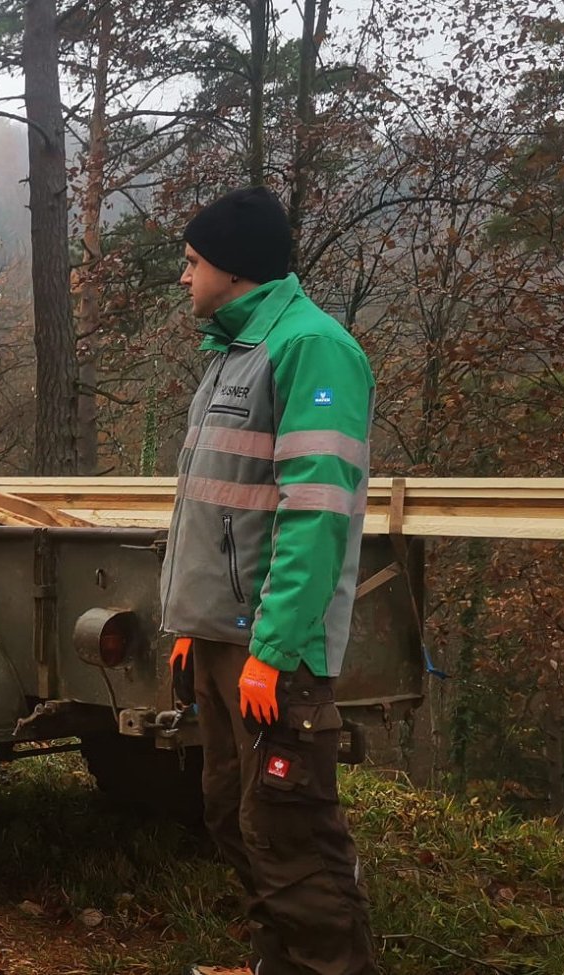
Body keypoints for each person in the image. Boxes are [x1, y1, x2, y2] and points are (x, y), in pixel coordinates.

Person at [159, 186, 378, 975]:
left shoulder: (312, 349)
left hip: (272, 659)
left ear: (234, 267)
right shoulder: (234, 352)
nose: (184, 278)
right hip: (224, 643)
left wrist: (274, 649)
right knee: (235, 819)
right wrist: (195, 618)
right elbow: (219, 508)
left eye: (191, 262)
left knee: (294, 840)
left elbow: (314, 513)